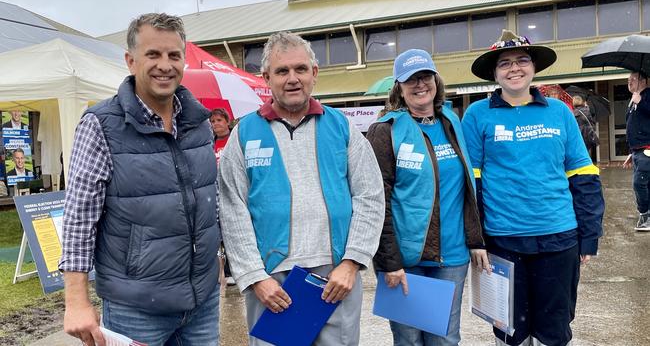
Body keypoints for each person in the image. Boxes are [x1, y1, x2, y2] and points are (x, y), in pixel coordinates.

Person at [58, 13, 221, 346]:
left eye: (174, 55)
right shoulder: (101, 125)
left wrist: (215, 259)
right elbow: (79, 218)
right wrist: (76, 301)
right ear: (131, 61)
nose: (165, 65)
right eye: (153, 54)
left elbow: (209, 199)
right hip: (136, 308)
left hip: (202, 301)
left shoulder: (199, 123)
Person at [218, 31, 384, 345]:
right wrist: (255, 277)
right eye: (282, 71)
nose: (292, 78)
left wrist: (352, 262)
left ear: (314, 73)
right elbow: (232, 208)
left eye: (300, 69)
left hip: (335, 276)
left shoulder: (341, 127)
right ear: (267, 77)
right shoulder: (244, 133)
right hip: (272, 281)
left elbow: (370, 195)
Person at [461, 30, 604, 346]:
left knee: (554, 330)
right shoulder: (476, 115)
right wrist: (476, 239)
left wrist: (589, 235)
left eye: (522, 60)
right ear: (494, 73)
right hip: (503, 241)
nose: (514, 68)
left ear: (534, 67)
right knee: (508, 329)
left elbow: (583, 175)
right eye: (505, 63)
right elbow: (471, 185)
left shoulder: (559, 112)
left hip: (559, 238)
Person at [366, 49, 488, 346]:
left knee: (445, 339)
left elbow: (466, 189)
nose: (420, 85)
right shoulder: (385, 131)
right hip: (407, 259)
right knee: (409, 340)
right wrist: (388, 262)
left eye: (425, 77)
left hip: (452, 256)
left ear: (436, 79)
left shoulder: (451, 120)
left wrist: (475, 239)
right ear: (399, 87)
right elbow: (376, 200)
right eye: (410, 80)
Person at [623, 71, 650, 231]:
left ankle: (645, 215)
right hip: (638, 151)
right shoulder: (634, 99)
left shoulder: (646, 97)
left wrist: (641, 102)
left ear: (643, 80)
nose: (629, 82)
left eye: (633, 79)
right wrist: (631, 152)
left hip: (647, 149)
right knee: (645, 183)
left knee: (639, 183)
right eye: (628, 80)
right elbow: (634, 126)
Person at [572, 94, 599, 162]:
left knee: (581, 154)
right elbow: (592, 120)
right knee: (587, 153)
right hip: (588, 135)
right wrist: (587, 107)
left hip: (579, 136)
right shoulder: (587, 110)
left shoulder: (573, 113)